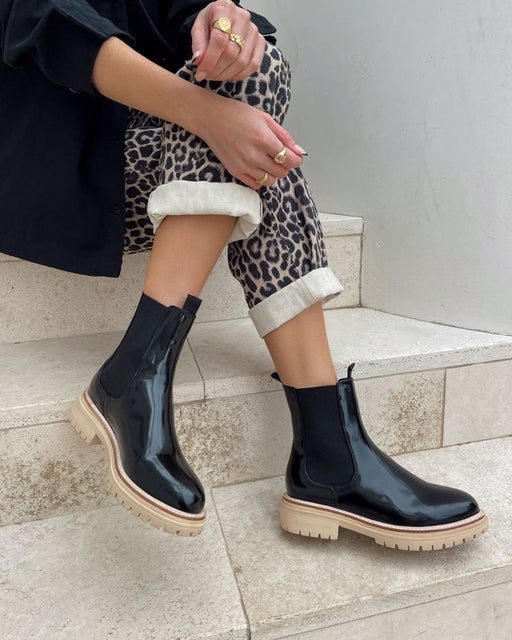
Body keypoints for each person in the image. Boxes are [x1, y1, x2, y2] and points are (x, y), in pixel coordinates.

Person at [0, 0, 488, 551]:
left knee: (255, 79)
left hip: (148, 158)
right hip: (51, 169)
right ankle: (327, 456)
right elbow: (48, 24)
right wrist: (206, 114)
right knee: (245, 141)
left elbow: (187, 21)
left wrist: (223, 25)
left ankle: (143, 378)